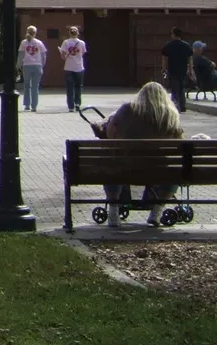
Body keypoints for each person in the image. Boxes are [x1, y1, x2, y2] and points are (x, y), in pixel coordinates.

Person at [98, 81, 185, 228]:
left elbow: (109, 133)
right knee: (175, 172)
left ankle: (113, 210)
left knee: (112, 165)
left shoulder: (127, 109)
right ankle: (157, 210)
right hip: (160, 171)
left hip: (127, 168)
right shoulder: (171, 115)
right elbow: (179, 143)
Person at [162, 27, 194, 111]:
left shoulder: (168, 46)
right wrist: (190, 70)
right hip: (182, 69)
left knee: (174, 88)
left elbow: (165, 58)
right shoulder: (186, 45)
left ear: (173, 34)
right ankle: (182, 106)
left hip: (172, 69)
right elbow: (190, 59)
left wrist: (164, 69)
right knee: (181, 87)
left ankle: (175, 105)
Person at [19, 26, 47, 112]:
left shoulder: (24, 43)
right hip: (37, 66)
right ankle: (34, 106)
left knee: (27, 85)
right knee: (35, 87)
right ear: (35, 33)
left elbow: (21, 55)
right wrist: (42, 66)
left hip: (27, 66)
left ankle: (27, 105)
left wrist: (18, 66)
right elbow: (44, 56)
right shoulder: (39, 43)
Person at [60, 25, 87, 112]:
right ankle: (77, 103)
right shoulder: (82, 43)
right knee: (78, 86)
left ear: (69, 33)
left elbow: (63, 55)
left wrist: (62, 53)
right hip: (79, 67)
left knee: (69, 87)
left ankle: (70, 106)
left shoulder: (65, 42)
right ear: (77, 33)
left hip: (68, 67)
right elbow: (82, 53)